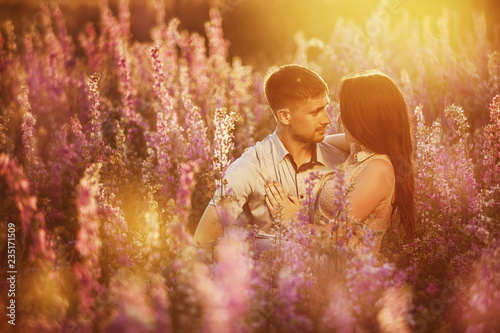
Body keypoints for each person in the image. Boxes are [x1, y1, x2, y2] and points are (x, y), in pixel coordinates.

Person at [193, 64, 349, 246]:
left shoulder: (341, 158)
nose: (327, 120)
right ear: (284, 116)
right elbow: (202, 240)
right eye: (315, 112)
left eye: (325, 108)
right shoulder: (251, 167)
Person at [265, 71, 415, 254]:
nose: (338, 119)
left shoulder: (379, 170)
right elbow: (310, 142)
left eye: (346, 113)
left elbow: (335, 238)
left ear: (365, 118)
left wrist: (292, 220)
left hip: (349, 274)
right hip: (324, 262)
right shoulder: (359, 148)